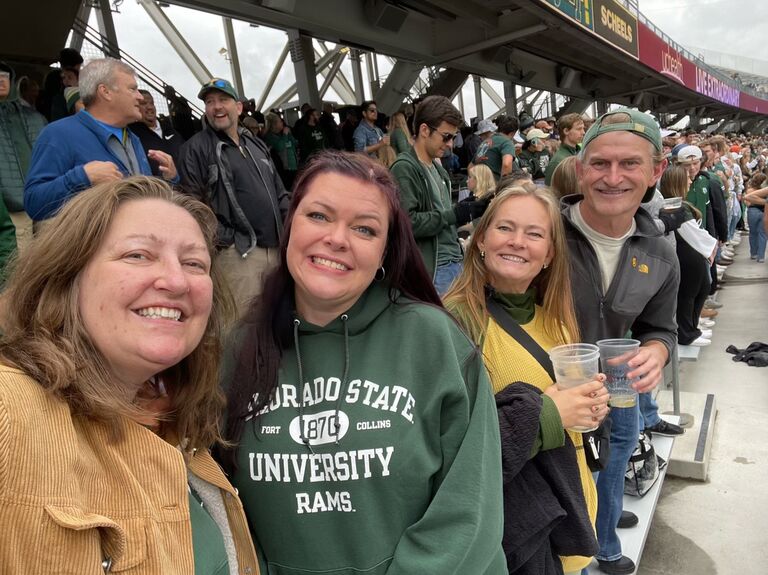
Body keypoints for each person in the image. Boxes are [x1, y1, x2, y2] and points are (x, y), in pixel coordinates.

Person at [218, 150, 507, 575]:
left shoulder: (433, 340)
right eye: (318, 216)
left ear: (385, 251)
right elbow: (220, 506)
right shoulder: (238, 350)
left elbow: (470, 507)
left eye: (364, 229)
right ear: (290, 225)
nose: (337, 238)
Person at [0, 176, 258, 573]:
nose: (175, 281)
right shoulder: (10, 410)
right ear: (68, 276)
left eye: (194, 263)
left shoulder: (181, 419)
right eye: (138, 255)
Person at [444, 184, 608, 575]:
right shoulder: (454, 321)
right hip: (520, 538)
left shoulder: (556, 317)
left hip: (568, 512)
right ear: (480, 239)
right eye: (505, 228)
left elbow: (568, 412)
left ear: (550, 254)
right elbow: (454, 451)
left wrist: (591, 406)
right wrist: (550, 414)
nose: (518, 242)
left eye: (534, 234)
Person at [563, 108, 680, 575]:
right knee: (569, 487)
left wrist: (657, 351)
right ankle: (584, 551)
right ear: (580, 167)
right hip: (554, 395)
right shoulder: (545, 232)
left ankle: (606, 542)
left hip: (619, 392)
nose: (613, 178)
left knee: (612, 471)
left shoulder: (660, 250)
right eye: (600, 163)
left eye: (630, 164)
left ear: (656, 171)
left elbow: (661, 327)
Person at [179, 77, 289, 317]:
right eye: (210, 101)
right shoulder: (195, 148)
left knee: (275, 321)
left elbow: (279, 193)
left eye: (223, 100)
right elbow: (192, 207)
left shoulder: (256, 144)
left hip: (276, 250)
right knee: (240, 330)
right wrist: (228, 241)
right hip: (239, 255)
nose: (216, 106)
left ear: (238, 107)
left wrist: (290, 229)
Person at [24, 58, 177, 221]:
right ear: (105, 92)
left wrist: (169, 180)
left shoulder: (133, 139)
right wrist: (83, 177)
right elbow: (34, 204)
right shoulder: (57, 134)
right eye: (133, 89)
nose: (140, 97)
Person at [390, 96, 488, 294]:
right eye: (446, 136)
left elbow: (443, 217)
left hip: (453, 262)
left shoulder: (438, 168)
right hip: (435, 269)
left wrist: (469, 207)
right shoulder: (404, 168)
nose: (451, 144)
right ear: (425, 130)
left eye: (452, 137)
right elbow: (408, 222)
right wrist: (456, 213)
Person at [658, 166, 717, 346]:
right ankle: (686, 333)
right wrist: (711, 246)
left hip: (693, 254)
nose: (691, 181)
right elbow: (694, 234)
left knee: (701, 289)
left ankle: (693, 328)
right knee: (688, 295)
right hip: (686, 255)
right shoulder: (673, 208)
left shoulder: (680, 205)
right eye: (687, 179)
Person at [0, 60, 47, 254]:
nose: (2, 82)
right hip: (10, 206)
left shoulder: (32, 117)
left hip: (37, 202)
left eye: (5, 77)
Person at [129, 89, 185, 178]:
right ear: (135, 107)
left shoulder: (171, 131)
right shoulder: (132, 135)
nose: (150, 107)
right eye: (144, 103)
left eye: (152, 103)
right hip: (158, 188)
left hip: (185, 187)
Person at [472, 117, 519, 181]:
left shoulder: (484, 143)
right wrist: (503, 186)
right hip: (495, 186)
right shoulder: (507, 142)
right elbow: (506, 164)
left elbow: (470, 166)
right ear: (513, 133)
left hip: (481, 186)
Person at [544, 114, 585, 186]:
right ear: (566, 131)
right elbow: (550, 191)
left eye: (583, 128)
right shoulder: (558, 161)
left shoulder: (580, 153)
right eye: (579, 129)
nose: (583, 132)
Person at [264, 111, 299, 190]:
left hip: (293, 166)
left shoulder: (282, 133)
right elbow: (280, 147)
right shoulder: (270, 137)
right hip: (283, 169)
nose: (282, 123)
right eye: (280, 121)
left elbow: (295, 143)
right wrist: (285, 135)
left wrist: (289, 135)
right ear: (274, 124)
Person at [744, 173, 768, 262]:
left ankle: (754, 253)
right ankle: (761, 256)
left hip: (753, 211)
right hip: (763, 211)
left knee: (753, 233)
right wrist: (765, 202)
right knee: (763, 234)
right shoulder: (764, 190)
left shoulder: (750, 190)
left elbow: (747, 202)